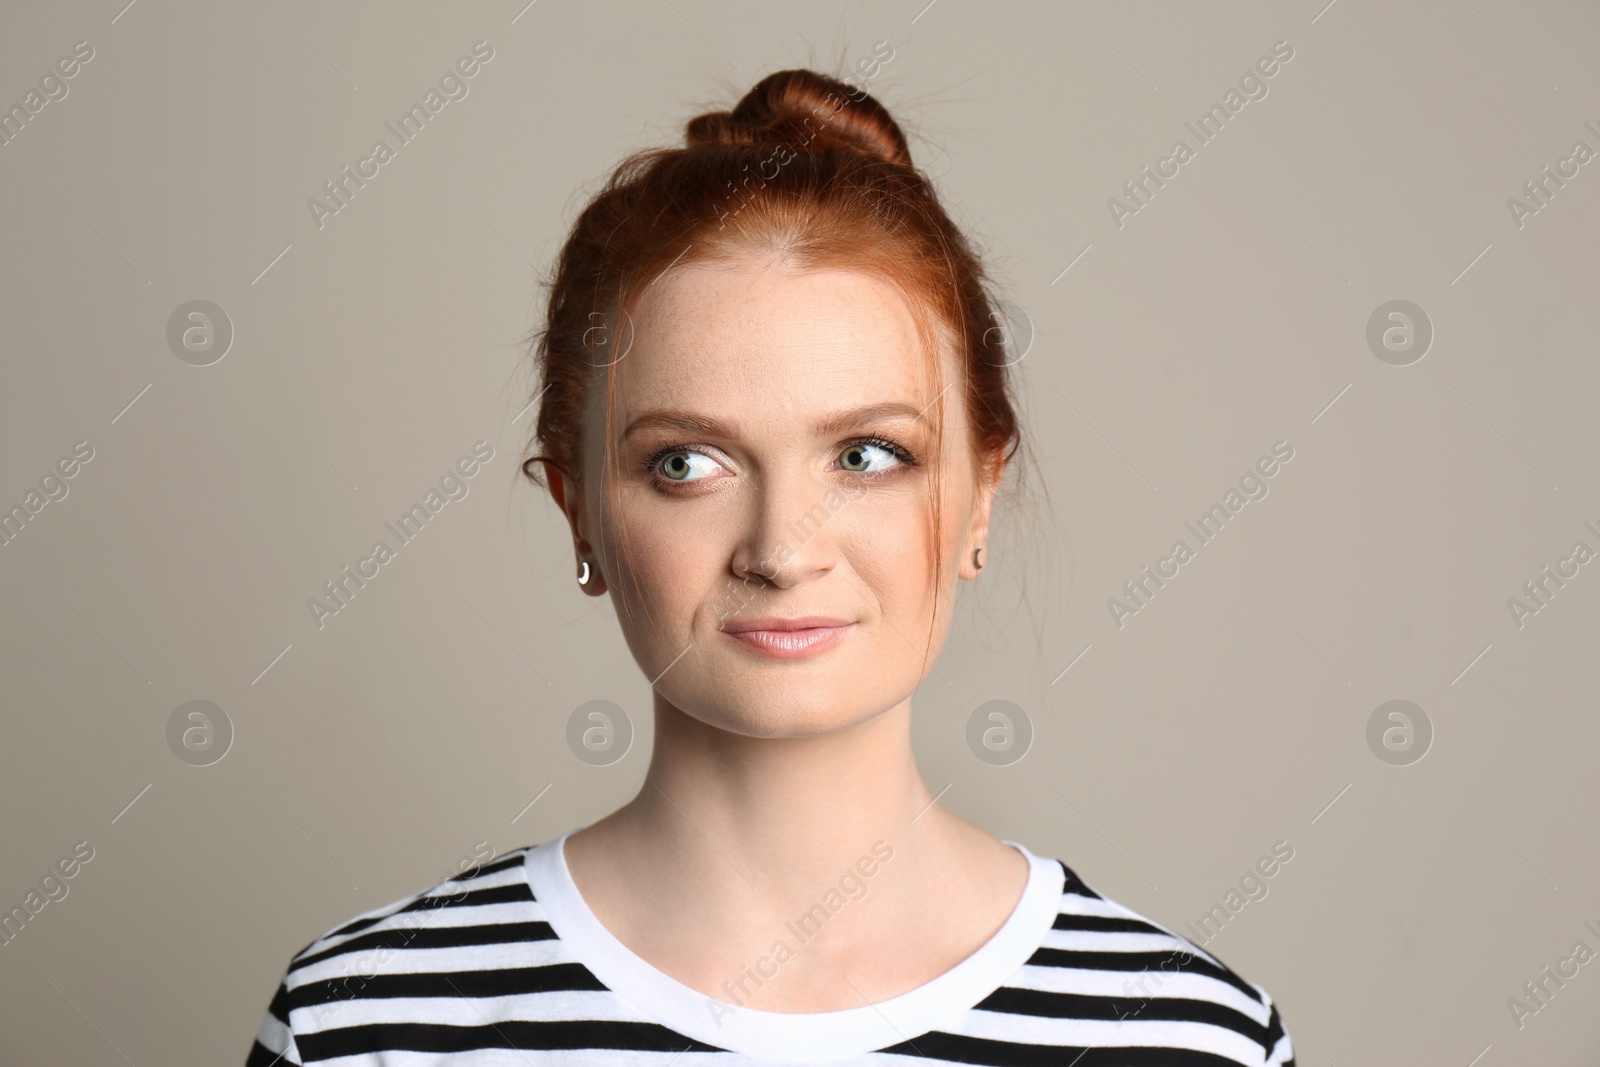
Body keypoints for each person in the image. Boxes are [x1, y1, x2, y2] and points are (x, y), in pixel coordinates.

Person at [247, 66, 1295, 1066]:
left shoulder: (1190, 1038)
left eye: (867, 455)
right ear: (581, 513)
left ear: (980, 494)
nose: (782, 549)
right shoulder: (369, 1024)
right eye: (686, 462)